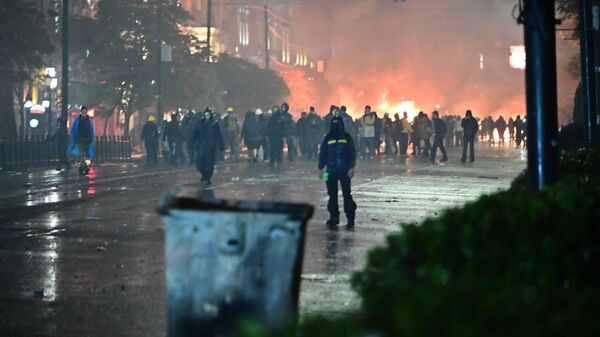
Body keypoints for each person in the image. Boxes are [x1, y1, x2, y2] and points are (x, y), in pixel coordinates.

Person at [318, 116, 357, 229]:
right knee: (331, 195)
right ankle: (334, 217)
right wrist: (321, 169)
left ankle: (350, 218)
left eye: (337, 123)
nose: (335, 125)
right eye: (333, 123)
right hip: (330, 172)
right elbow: (323, 154)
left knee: (347, 195)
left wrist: (351, 168)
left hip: (344, 171)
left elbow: (352, 153)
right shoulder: (327, 138)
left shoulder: (347, 137)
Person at [192, 108, 224, 185]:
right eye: (206, 115)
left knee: (209, 163)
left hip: (211, 147)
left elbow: (219, 135)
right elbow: (195, 134)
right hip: (202, 146)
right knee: (201, 163)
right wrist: (192, 143)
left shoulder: (214, 124)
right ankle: (204, 175)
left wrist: (221, 144)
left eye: (208, 115)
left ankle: (207, 177)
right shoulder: (200, 123)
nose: (207, 116)